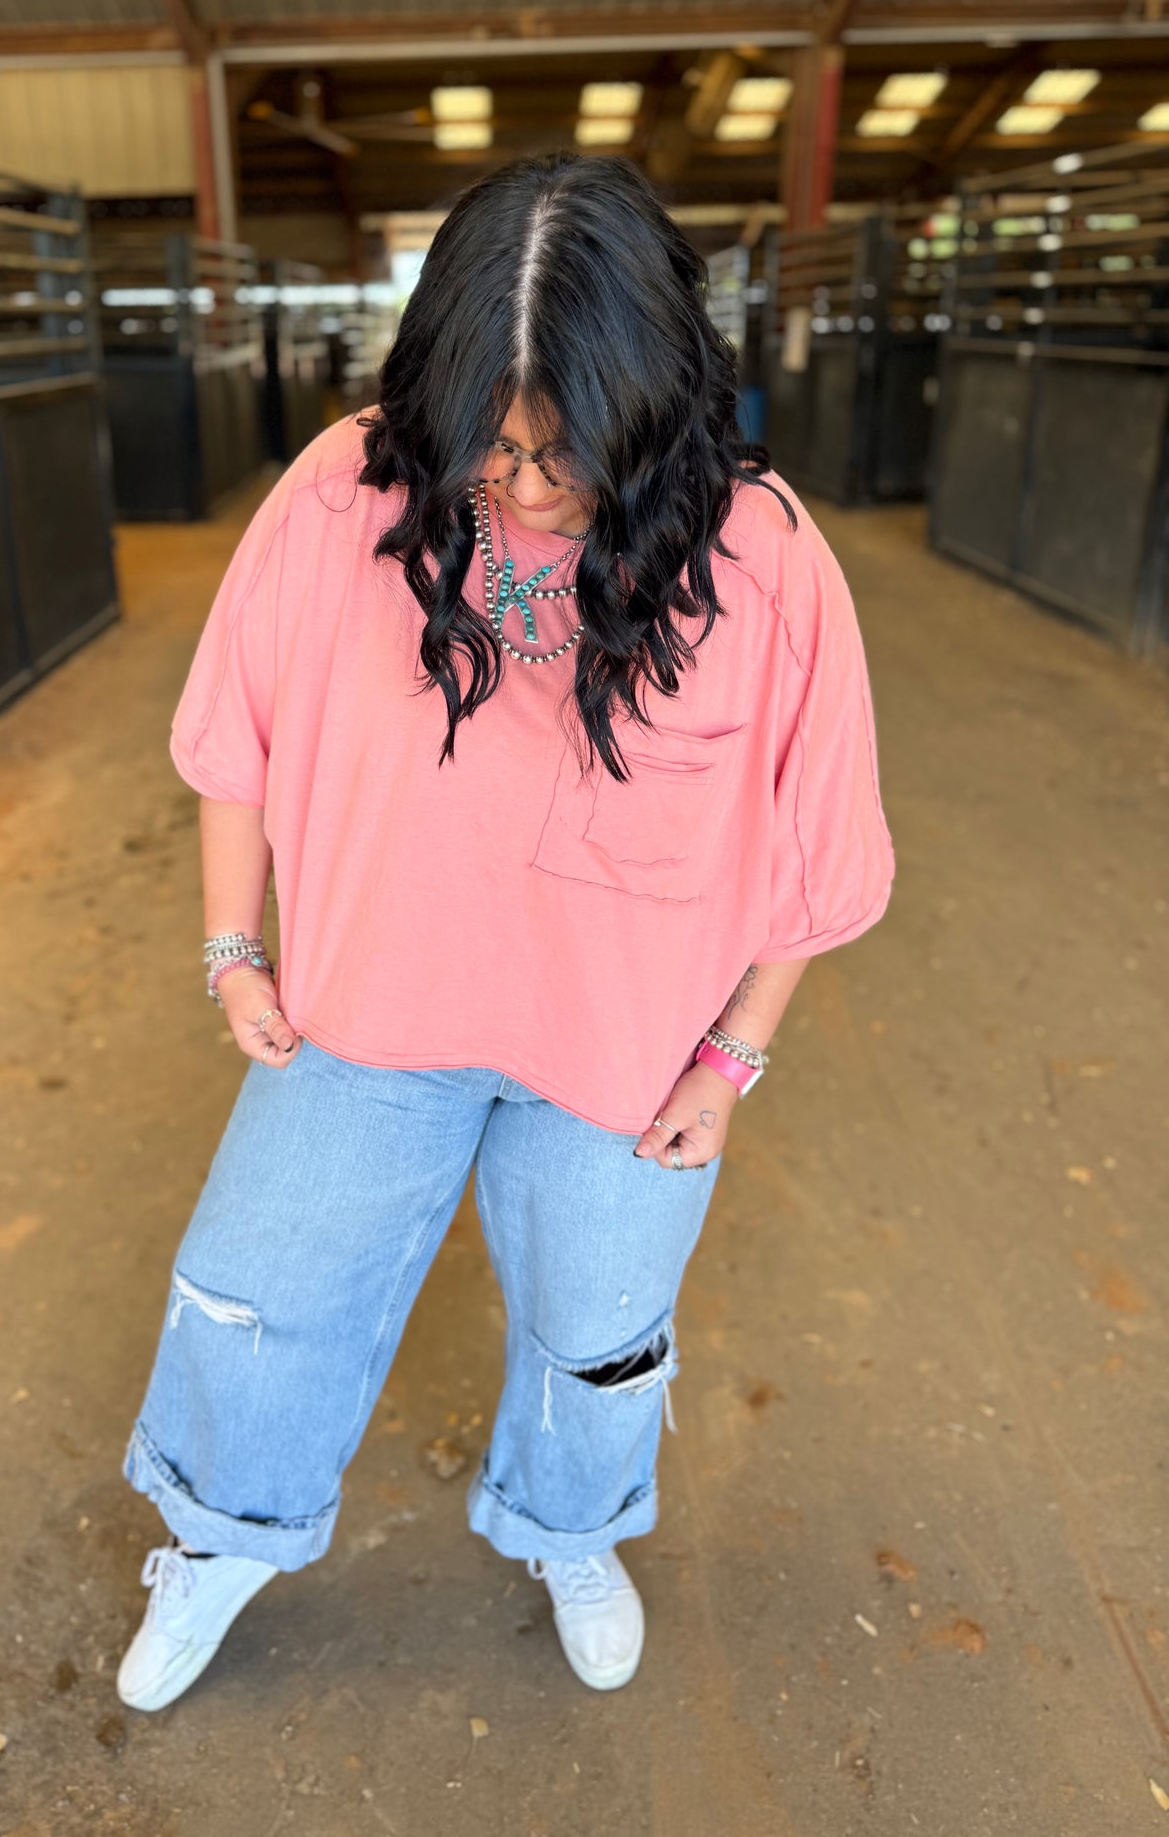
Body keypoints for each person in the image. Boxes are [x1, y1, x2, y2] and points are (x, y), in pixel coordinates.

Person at [116, 151, 894, 1709]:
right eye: (491, 445)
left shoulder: (763, 554)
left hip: (620, 1055)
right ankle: (218, 1539)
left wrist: (730, 1057)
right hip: (357, 1018)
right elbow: (236, 740)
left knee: (597, 1334)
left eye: (565, 453)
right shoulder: (344, 485)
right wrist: (231, 945)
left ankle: (569, 1526)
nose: (523, 489)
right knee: (259, 1296)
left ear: (655, 401)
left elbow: (820, 844)